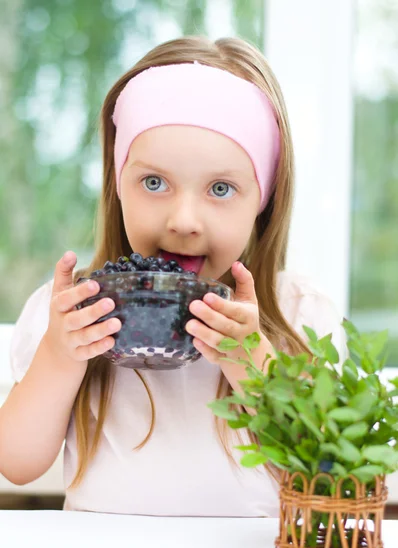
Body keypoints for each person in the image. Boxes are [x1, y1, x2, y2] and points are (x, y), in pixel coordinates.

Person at [1, 36, 346, 517]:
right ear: (118, 185)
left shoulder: (297, 313)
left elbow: (328, 472)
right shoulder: (72, 310)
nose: (184, 219)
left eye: (221, 188)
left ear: (262, 202)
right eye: (155, 182)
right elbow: (16, 462)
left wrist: (254, 364)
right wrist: (61, 356)